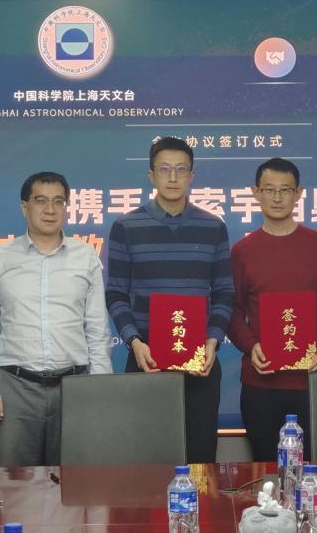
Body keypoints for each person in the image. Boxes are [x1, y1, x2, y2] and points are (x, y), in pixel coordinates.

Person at [105, 136, 234, 463]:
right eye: (164, 169)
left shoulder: (213, 227)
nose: (173, 177)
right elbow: (116, 293)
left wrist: (213, 341)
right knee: (146, 456)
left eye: (181, 170)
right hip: (146, 358)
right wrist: (134, 342)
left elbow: (224, 291)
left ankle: (200, 500)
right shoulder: (126, 226)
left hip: (200, 360)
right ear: (151, 175)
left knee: (200, 458)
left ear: (192, 176)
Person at [0, 171, 112, 466]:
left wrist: (99, 389)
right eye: (41, 201)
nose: (50, 209)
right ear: (25, 207)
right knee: (13, 483)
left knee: (72, 482)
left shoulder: (85, 256)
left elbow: (97, 329)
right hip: (15, 390)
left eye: (58, 201)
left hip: (74, 388)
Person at [227, 158, 317, 461]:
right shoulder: (242, 251)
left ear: (298, 193)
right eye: (269, 189)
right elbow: (233, 309)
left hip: (312, 381)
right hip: (261, 383)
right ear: (256, 193)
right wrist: (251, 346)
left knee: (312, 469)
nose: (277, 197)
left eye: (285, 189)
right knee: (266, 470)